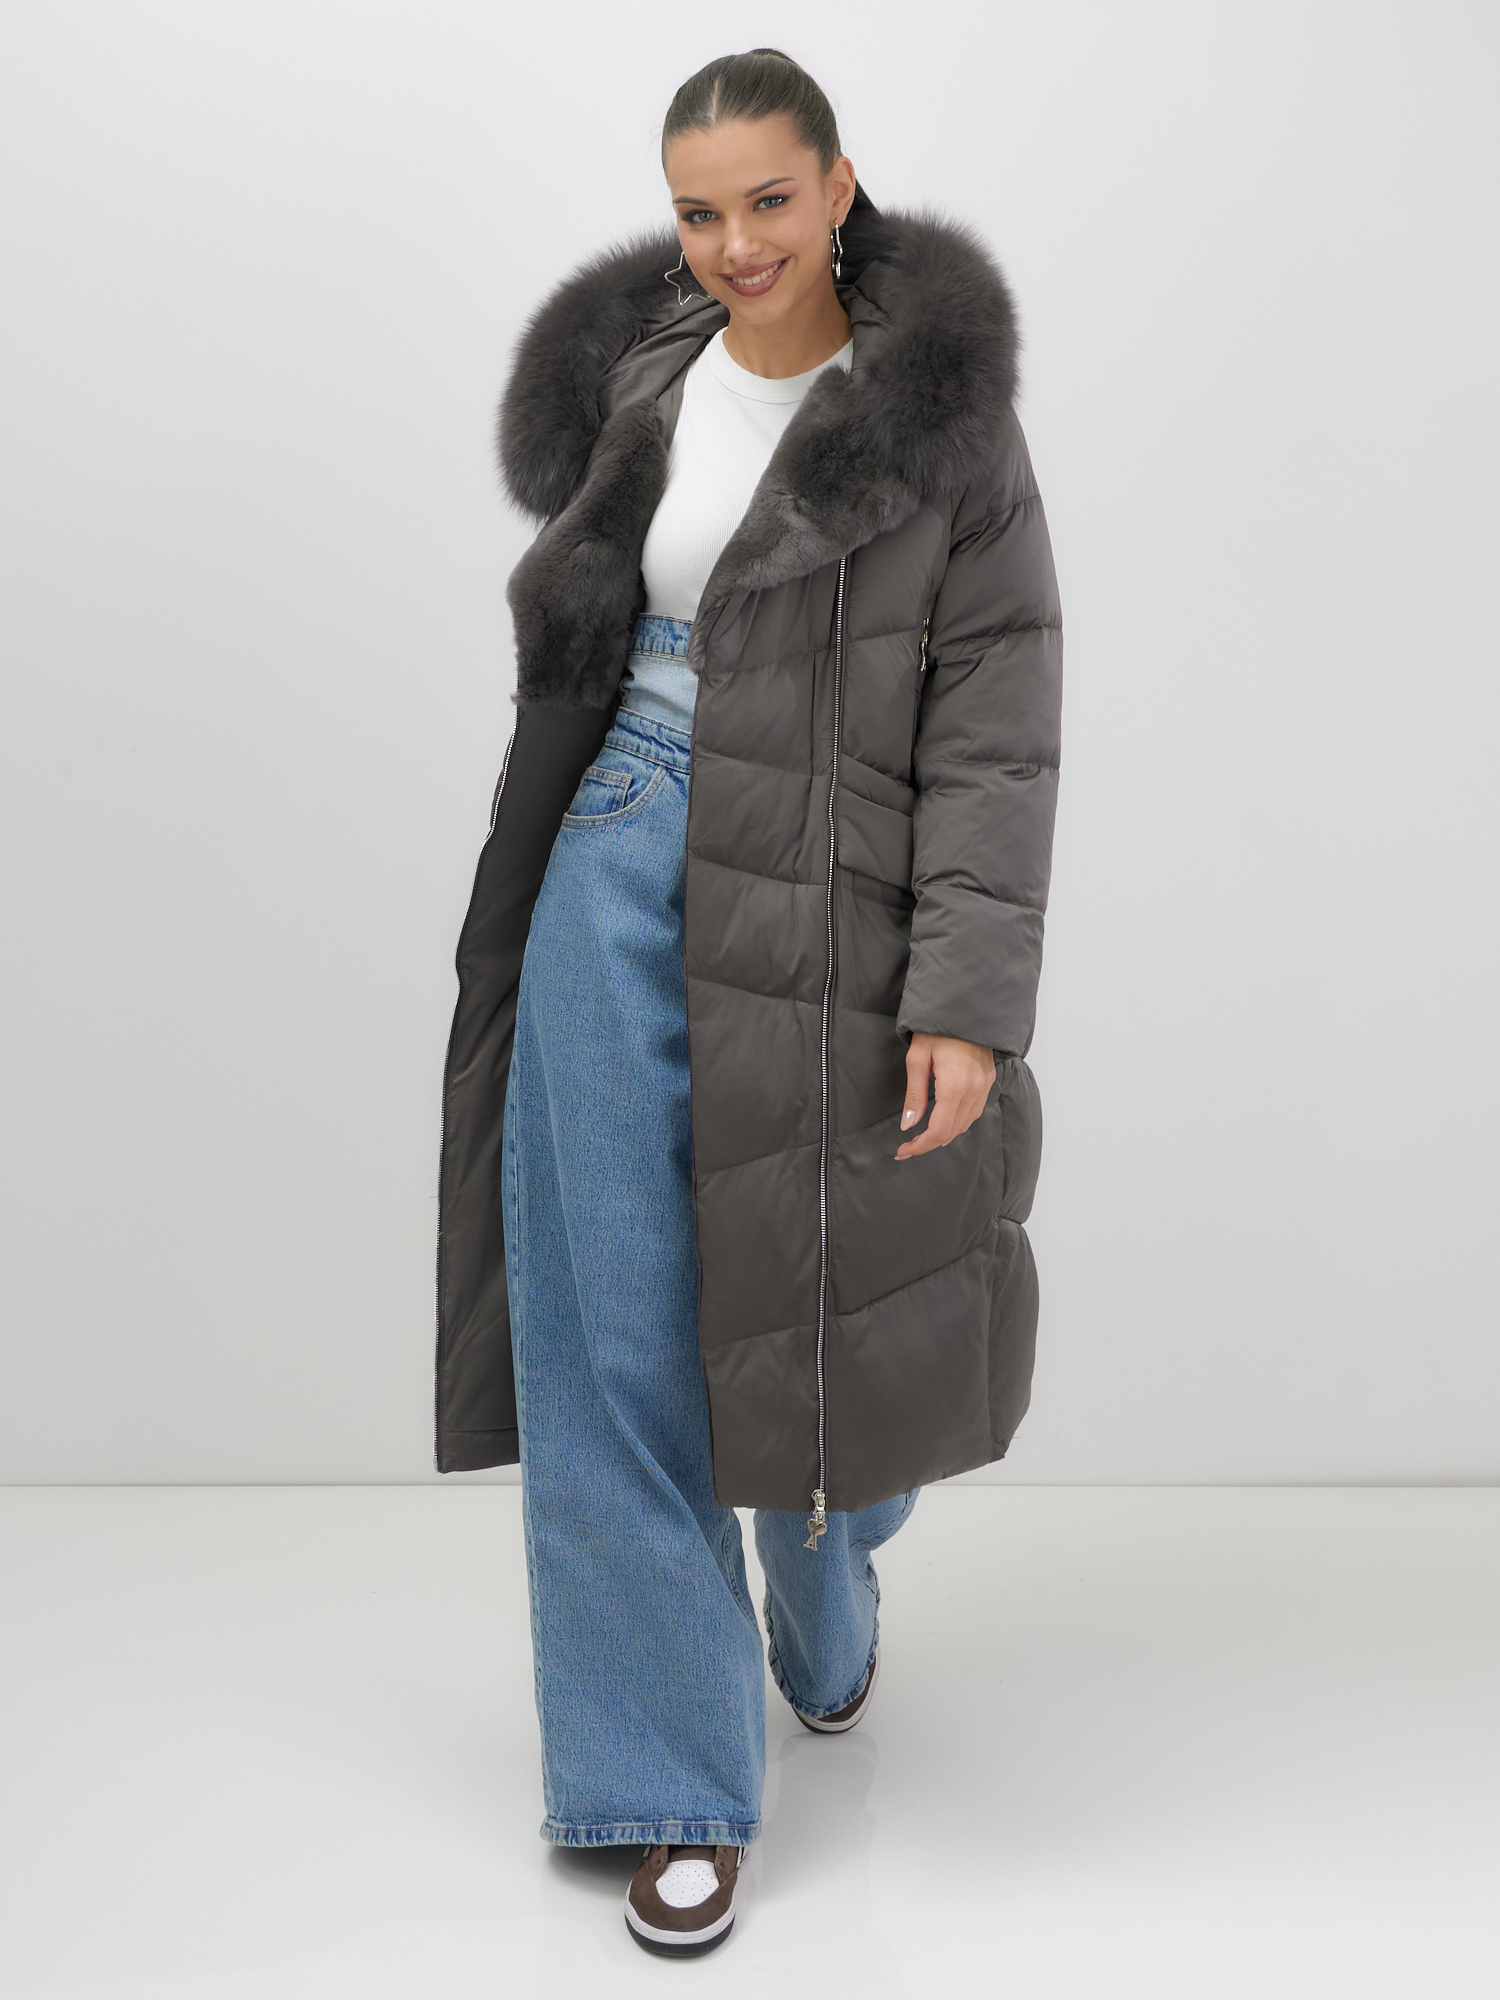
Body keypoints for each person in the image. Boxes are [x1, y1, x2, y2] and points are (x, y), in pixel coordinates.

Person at [435, 48, 1063, 1958]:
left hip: (836, 890)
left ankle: (829, 1569)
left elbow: (998, 717)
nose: (734, 245)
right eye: (699, 211)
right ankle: (667, 1783)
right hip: (617, 844)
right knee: (610, 1318)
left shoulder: (939, 421)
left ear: (839, 186)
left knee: (814, 1308)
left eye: (769, 201)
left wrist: (965, 993)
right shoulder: (645, 380)